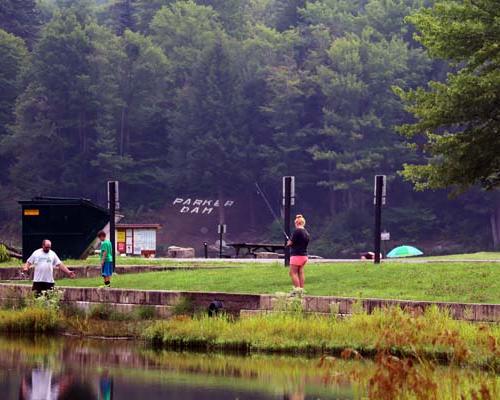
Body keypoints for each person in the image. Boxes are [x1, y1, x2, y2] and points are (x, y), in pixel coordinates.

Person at [286, 214, 310, 295]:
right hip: (304, 256)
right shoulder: (306, 232)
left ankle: (297, 291)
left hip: (296, 255)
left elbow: (291, 243)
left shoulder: (297, 231)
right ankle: (301, 290)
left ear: (297, 223)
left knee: (293, 273)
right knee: (300, 272)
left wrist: (289, 243)